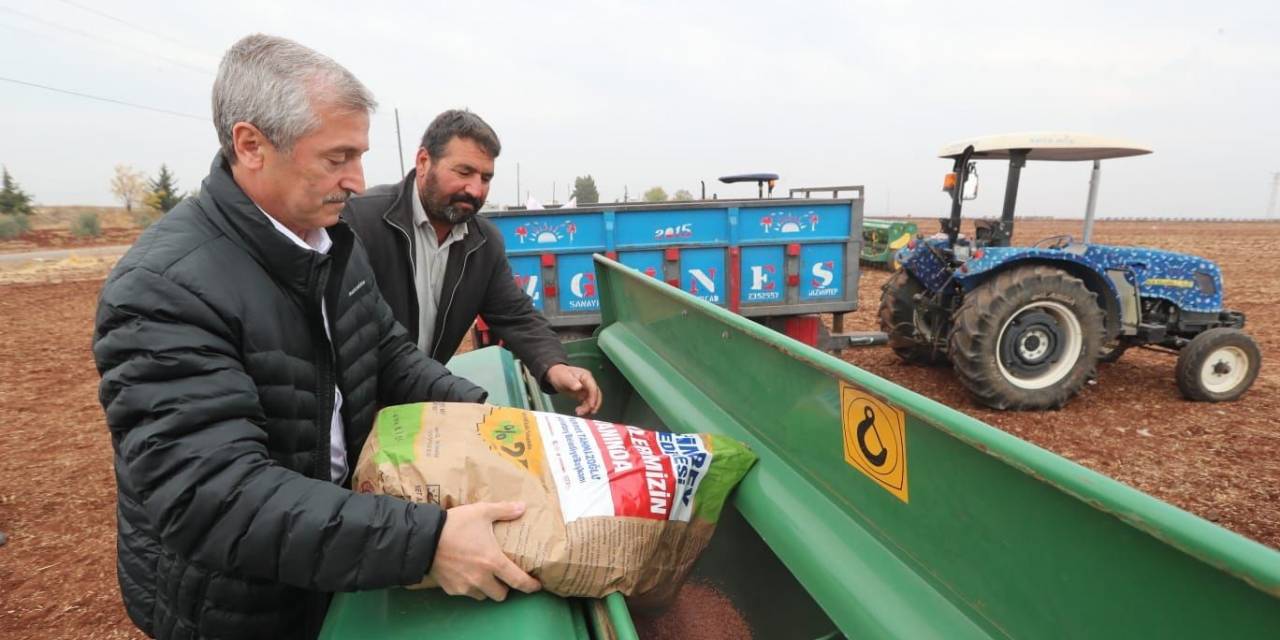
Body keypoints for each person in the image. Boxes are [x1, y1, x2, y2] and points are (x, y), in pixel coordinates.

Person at [93, 35, 539, 640]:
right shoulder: (164, 289)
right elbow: (217, 497)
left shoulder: (330, 242)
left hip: (334, 553)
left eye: (360, 155)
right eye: (337, 158)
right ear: (251, 145)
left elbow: (386, 353)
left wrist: (489, 420)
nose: (357, 180)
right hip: (238, 602)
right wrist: (427, 542)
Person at [345, 110, 602, 416]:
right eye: (464, 172)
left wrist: (555, 366)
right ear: (424, 161)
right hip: (356, 408)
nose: (476, 189)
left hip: (416, 405)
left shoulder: (484, 242)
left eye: (486, 178)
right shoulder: (362, 221)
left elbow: (515, 315)